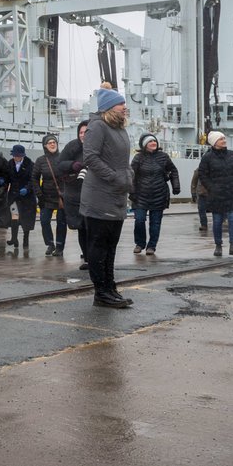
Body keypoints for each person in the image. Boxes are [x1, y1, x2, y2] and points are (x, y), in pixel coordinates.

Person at [81, 88, 133, 308]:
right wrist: (113, 177)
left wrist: (128, 175)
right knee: (99, 246)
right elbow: (90, 157)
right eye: (121, 104)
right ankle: (100, 292)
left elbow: (122, 160)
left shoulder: (119, 128)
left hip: (117, 194)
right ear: (110, 107)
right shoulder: (98, 126)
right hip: (100, 196)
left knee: (111, 246)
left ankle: (110, 288)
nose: (124, 107)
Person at [197, 131, 233, 257]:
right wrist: (211, 188)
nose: (224, 141)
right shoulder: (207, 158)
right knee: (217, 221)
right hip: (217, 196)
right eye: (221, 139)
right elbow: (202, 174)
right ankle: (218, 246)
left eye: (224, 138)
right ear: (214, 142)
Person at [129, 134, 180, 255]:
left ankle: (151, 246)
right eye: (150, 141)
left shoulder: (163, 157)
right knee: (139, 220)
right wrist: (132, 191)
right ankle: (140, 243)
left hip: (159, 194)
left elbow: (174, 170)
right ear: (144, 145)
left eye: (154, 141)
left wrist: (176, 186)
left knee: (155, 222)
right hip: (140, 195)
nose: (153, 143)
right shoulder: (138, 158)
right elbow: (131, 175)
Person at [58, 121, 90, 268]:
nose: (83, 135)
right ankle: (88, 258)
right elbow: (59, 165)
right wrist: (72, 165)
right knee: (82, 227)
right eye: (81, 132)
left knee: (94, 228)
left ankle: (94, 256)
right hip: (76, 193)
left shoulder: (99, 146)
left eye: (86, 132)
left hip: (94, 193)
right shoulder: (72, 147)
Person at [33, 134, 67, 256]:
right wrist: (39, 194)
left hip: (61, 197)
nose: (52, 144)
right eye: (50, 142)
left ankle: (59, 247)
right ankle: (50, 243)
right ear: (45, 146)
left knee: (61, 223)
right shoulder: (40, 160)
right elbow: (34, 178)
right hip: (46, 196)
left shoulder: (63, 158)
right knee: (44, 221)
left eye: (54, 142)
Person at [5, 144, 36, 250]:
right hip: (14, 195)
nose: (16, 157)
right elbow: (7, 177)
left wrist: (27, 189)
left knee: (26, 219)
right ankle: (14, 238)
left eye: (18, 156)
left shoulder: (30, 164)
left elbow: (33, 179)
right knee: (14, 216)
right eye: (15, 155)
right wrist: (3, 182)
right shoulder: (10, 163)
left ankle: (25, 239)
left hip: (27, 196)